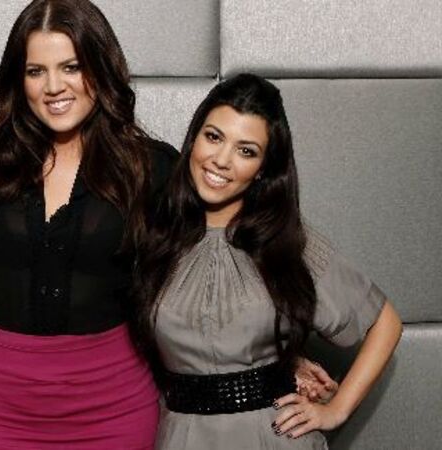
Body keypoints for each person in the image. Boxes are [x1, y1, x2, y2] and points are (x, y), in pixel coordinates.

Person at [133, 73, 402, 449]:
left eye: (246, 151)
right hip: (182, 436)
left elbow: (384, 323)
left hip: (271, 437)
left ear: (262, 168)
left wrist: (336, 410)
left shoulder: (285, 241)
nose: (221, 160)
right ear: (194, 138)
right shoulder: (156, 235)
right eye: (214, 137)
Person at [0, 0, 179, 448]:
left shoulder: (150, 167)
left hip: (114, 405)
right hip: (4, 409)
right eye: (36, 71)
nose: (53, 86)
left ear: (101, 66)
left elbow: (235, 242)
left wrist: (281, 355)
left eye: (71, 67)